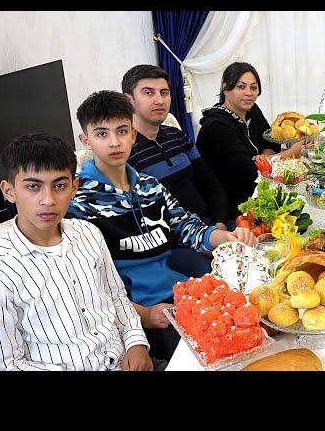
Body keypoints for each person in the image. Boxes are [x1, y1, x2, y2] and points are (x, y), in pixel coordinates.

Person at [67, 90, 257, 361]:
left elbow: (186, 226)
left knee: (247, 329)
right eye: (102, 134)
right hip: (136, 312)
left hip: (178, 294)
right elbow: (87, 285)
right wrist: (142, 315)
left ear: (133, 135)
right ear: (86, 140)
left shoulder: (150, 186)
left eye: (122, 131)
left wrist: (226, 237)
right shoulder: (77, 200)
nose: (114, 142)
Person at [0, 133, 154, 371]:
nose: (48, 200)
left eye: (59, 186)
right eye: (33, 187)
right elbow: (10, 364)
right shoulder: (1, 268)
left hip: (123, 360)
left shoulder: (89, 233)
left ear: (74, 187)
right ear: (9, 191)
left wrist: (136, 344)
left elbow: (117, 297)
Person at [122, 64, 229, 277]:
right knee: (222, 276)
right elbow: (143, 223)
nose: (159, 100)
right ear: (128, 100)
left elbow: (211, 184)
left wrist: (220, 224)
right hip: (173, 246)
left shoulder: (176, 136)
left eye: (164, 92)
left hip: (210, 227)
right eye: (148, 93)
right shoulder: (123, 153)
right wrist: (203, 242)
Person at [196, 62, 302, 223]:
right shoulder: (216, 127)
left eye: (253, 87)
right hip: (232, 210)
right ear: (225, 88)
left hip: (259, 193)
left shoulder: (251, 110)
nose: (249, 93)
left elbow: (271, 141)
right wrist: (292, 152)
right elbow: (250, 173)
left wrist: (261, 160)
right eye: (241, 87)